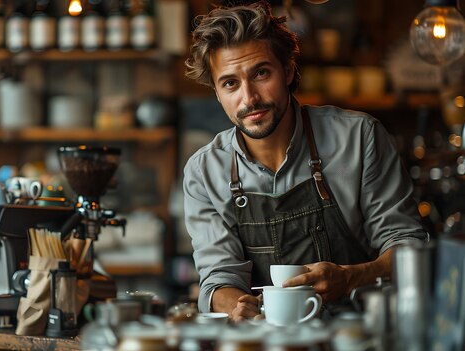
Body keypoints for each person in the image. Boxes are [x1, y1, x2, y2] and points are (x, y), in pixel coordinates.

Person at [182, 1, 428, 322]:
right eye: (230, 83)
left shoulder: (358, 137)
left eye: (261, 73)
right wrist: (236, 307)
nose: (249, 98)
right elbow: (219, 278)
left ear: (287, 70)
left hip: (363, 331)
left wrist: (350, 277)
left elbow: (409, 247)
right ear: (216, 92)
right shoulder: (203, 172)